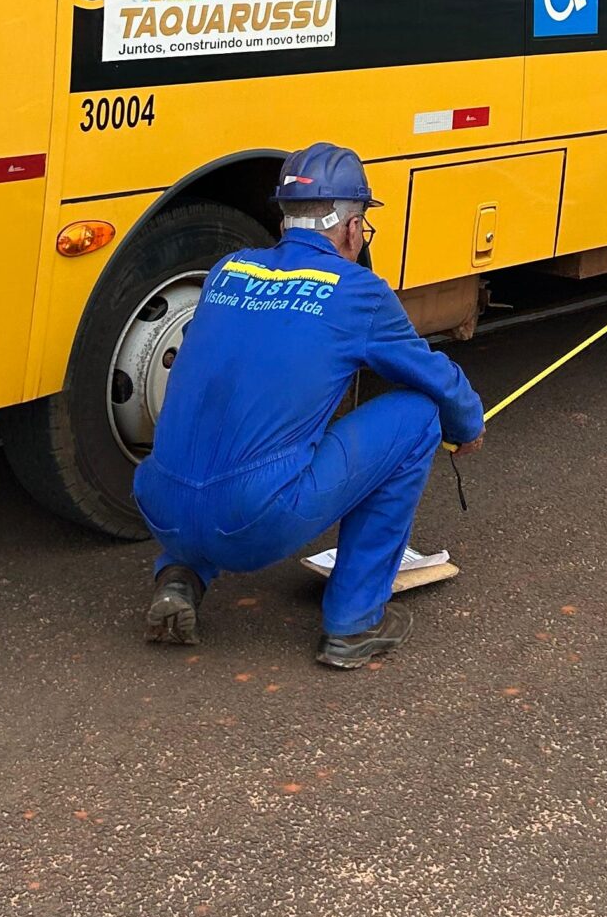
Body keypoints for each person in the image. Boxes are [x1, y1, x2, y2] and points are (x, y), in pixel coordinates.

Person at [132, 144, 486, 668]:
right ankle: (354, 624)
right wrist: (468, 423)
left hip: (160, 505)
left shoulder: (228, 271)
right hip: (252, 521)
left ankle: (181, 576)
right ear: (350, 228)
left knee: (223, 430)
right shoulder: (357, 291)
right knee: (416, 418)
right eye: (362, 228)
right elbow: (433, 377)